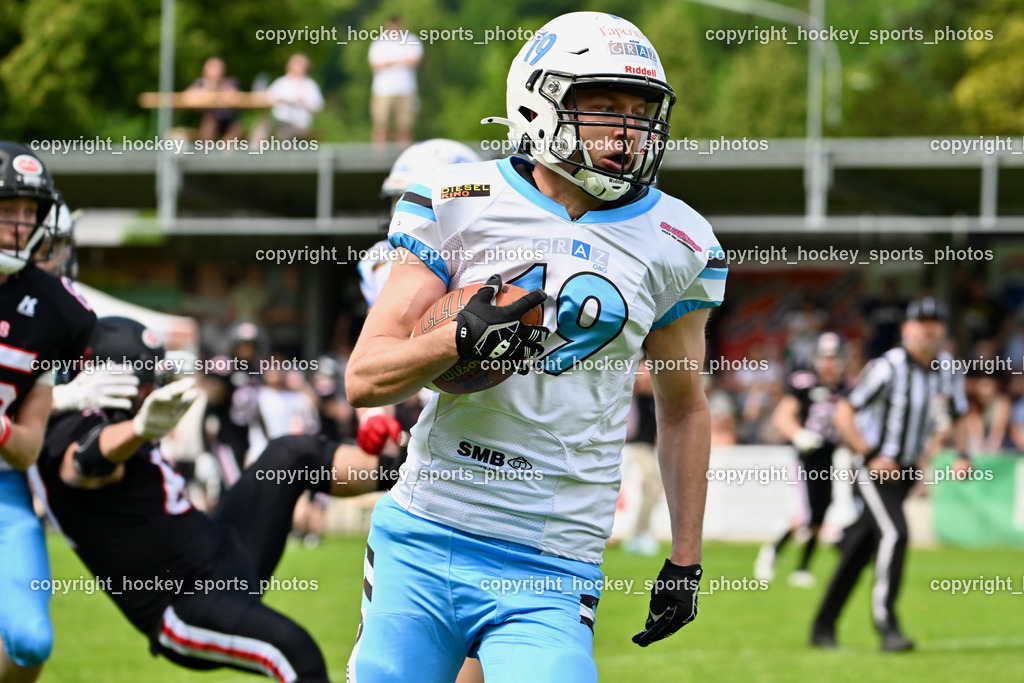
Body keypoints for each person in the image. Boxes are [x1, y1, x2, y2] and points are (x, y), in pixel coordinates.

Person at [345, 12, 726, 681]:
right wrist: (456, 338)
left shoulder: (679, 241)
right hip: (426, 532)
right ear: (538, 100)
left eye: (641, 111)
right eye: (604, 106)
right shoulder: (460, 199)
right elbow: (366, 376)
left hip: (550, 560)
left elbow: (685, 406)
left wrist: (685, 556)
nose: (627, 129)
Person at [32, 316, 389, 682]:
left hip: (224, 553)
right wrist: (137, 430)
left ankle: (412, 468)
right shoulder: (65, 427)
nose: (151, 390)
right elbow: (85, 465)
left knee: (291, 454)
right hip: (183, 604)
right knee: (297, 653)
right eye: (144, 382)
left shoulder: (109, 416)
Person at [810, 298, 969, 652]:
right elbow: (843, 413)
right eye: (921, 322)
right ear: (906, 329)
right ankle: (887, 625)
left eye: (935, 322)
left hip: (907, 472)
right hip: (874, 471)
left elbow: (959, 414)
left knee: (859, 549)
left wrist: (962, 454)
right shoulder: (888, 367)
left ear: (944, 329)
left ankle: (823, 626)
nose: (929, 328)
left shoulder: (948, 368)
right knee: (895, 533)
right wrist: (869, 454)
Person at [0, 142, 97, 683]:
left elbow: (29, 445)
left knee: (31, 642)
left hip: (3, 486)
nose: (19, 225)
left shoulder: (56, 312)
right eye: (6, 209)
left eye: (27, 212)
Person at [755, 331, 847, 587]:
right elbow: (783, 416)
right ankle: (772, 552)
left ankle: (803, 568)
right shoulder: (804, 382)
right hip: (806, 456)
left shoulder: (846, 388)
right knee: (804, 514)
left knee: (821, 513)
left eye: (835, 357)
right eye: (826, 357)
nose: (830, 363)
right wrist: (800, 434)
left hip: (829, 456)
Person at [368, 15, 423, 144]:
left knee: (405, 127)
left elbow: (414, 60)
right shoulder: (378, 43)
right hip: (383, 91)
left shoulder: (411, 40)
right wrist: (400, 60)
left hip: (406, 90)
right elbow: (375, 65)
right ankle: (379, 160)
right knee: (381, 126)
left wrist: (389, 62)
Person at [267, 54, 324, 140]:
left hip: (299, 124)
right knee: (263, 126)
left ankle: (285, 152)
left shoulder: (310, 85)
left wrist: (303, 101)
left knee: (286, 131)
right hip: (278, 121)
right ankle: (255, 151)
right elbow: (267, 98)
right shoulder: (281, 82)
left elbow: (318, 107)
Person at [188, 56, 242, 142]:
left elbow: (235, 96)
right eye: (212, 68)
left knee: (234, 131)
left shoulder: (229, 82)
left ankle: (226, 155)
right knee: (209, 124)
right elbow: (187, 97)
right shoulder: (200, 83)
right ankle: (207, 152)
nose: (215, 72)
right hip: (210, 119)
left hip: (228, 120)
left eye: (217, 68)